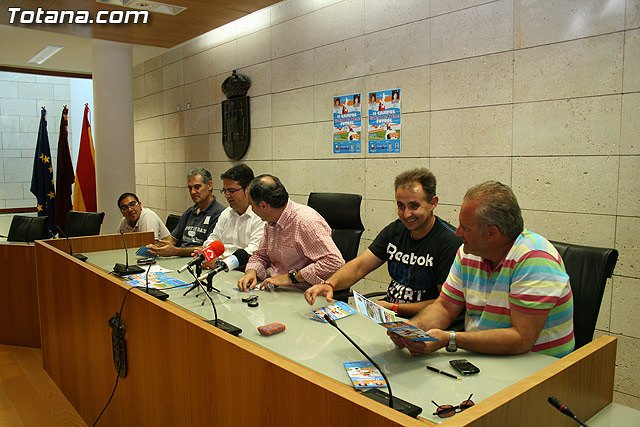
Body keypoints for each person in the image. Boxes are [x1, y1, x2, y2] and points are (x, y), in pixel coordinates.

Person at [389, 181, 575, 358]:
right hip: (483, 358)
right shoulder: (467, 253)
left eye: (465, 227)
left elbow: (522, 339)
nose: (457, 232)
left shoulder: (535, 258)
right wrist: (412, 329)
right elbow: (444, 308)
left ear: (491, 233)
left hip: (540, 371)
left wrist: (450, 339)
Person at [305, 168, 461, 317]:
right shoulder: (396, 230)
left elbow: (445, 305)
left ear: (433, 203)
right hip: (389, 314)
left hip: (422, 321)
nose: (406, 214)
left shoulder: (450, 242)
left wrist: (394, 307)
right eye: (401, 206)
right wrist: (330, 284)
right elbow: (359, 266)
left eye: (414, 206)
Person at [237, 174, 344, 291]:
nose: (251, 210)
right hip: (275, 287)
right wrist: (251, 271)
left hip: (303, 292)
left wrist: (292, 277)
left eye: (252, 206)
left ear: (263, 205)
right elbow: (260, 255)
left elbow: (334, 262)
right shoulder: (271, 222)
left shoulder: (305, 222)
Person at [149, 167, 225, 257]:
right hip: (178, 258)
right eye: (190, 188)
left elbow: (210, 248)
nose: (193, 192)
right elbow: (173, 239)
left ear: (210, 185)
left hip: (198, 259)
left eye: (197, 187)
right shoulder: (190, 212)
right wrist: (158, 246)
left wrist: (176, 251)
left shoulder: (219, 213)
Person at [201, 164, 264, 265]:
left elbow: (252, 253)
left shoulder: (260, 216)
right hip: (220, 268)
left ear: (248, 189)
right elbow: (212, 240)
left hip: (243, 271)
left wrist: (218, 262)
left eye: (231, 191)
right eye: (225, 191)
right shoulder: (226, 213)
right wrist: (206, 257)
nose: (227, 195)